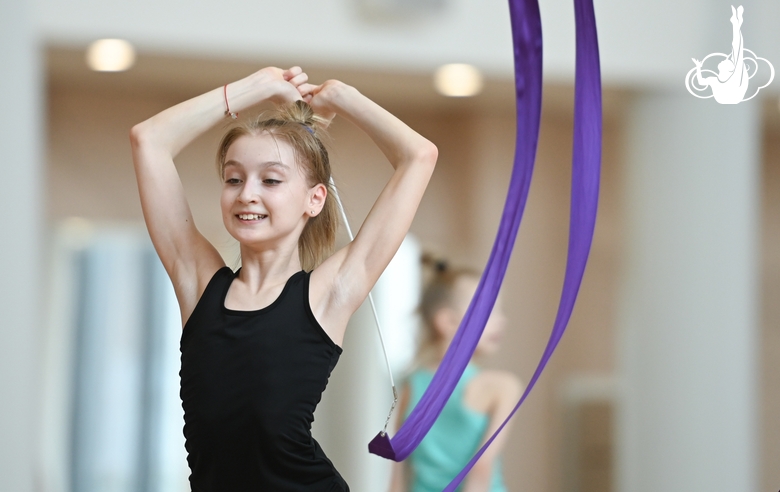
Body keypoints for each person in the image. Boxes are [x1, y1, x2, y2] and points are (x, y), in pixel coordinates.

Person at [130, 66, 437, 491]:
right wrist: (255, 88)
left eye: (270, 180)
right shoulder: (198, 284)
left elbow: (418, 156)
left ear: (314, 199)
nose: (246, 193)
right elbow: (149, 140)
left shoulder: (329, 293)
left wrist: (343, 97)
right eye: (233, 178)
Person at [389, 258, 522, 492]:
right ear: (448, 321)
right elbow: (481, 469)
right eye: (490, 310)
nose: (502, 320)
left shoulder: (411, 386)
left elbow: (398, 475)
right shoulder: (502, 386)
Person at [692, 5, 748, 104]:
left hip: (732, 97)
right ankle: (736, 23)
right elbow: (701, 82)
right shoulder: (715, 80)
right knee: (737, 50)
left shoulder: (733, 78)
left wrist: (736, 26)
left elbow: (737, 48)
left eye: (727, 61)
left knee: (737, 50)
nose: (725, 59)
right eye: (728, 61)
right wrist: (698, 67)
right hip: (729, 98)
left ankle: (736, 23)